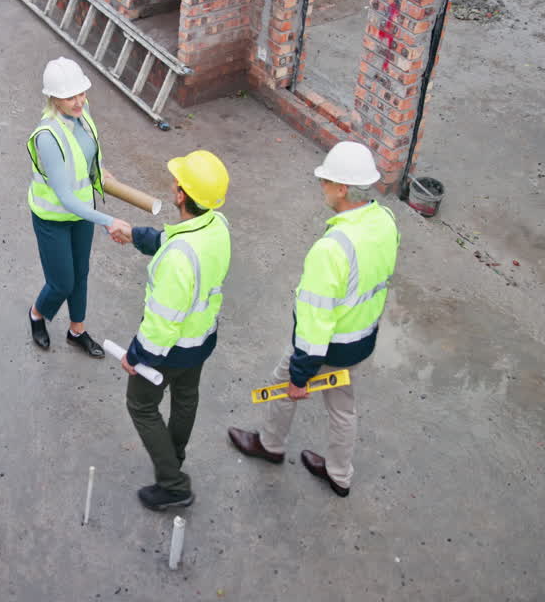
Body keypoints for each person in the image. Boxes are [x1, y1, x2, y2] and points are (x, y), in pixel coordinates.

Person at [227, 141, 399, 498]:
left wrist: (301, 375)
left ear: (342, 189)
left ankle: (270, 445)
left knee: (283, 384)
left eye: (325, 181)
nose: (320, 186)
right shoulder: (385, 221)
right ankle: (339, 473)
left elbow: (315, 322)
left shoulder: (332, 248)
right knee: (343, 406)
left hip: (328, 347)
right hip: (362, 340)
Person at [112, 150, 231, 511]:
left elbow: (162, 323)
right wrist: (135, 235)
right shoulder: (217, 225)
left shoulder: (179, 258)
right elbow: (174, 238)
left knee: (141, 406)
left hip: (171, 349)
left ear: (180, 195)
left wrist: (135, 356)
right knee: (185, 398)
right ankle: (173, 455)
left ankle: (173, 483)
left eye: (178, 182)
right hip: (201, 339)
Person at [27, 57, 132, 357]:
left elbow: (85, 152)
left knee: (80, 273)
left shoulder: (83, 114)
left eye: (81, 93)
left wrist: (99, 169)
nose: (78, 101)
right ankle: (37, 314)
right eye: (70, 96)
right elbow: (65, 196)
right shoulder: (48, 137)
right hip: (54, 218)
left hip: (81, 212)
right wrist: (108, 220)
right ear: (53, 98)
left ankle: (77, 331)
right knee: (61, 282)